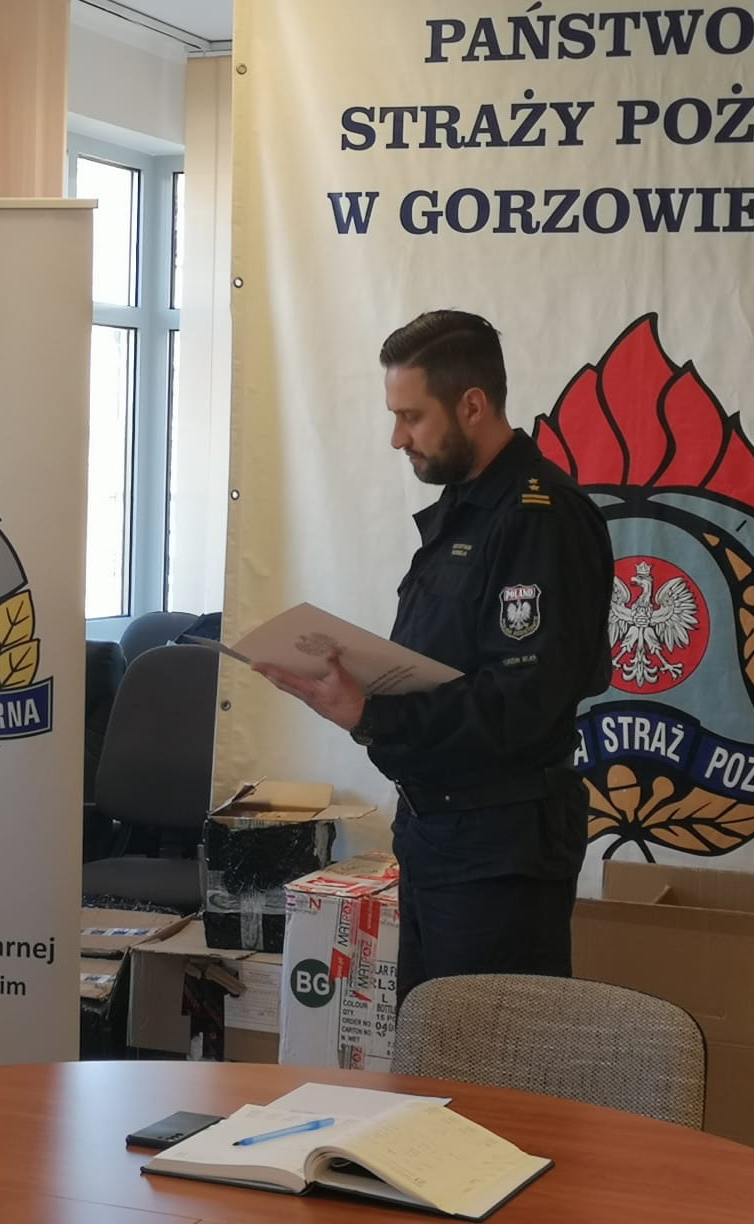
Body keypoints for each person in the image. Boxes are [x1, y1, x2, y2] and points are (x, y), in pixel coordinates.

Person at [256, 310, 613, 1001]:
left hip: (500, 849)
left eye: (411, 416)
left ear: (472, 405)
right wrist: (362, 696)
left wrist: (372, 715)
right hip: (437, 835)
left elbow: (523, 703)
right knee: (431, 1050)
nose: (398, 438)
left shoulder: (538, 519)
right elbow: (449, 666)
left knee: (489, 1056)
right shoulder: (466, 509)